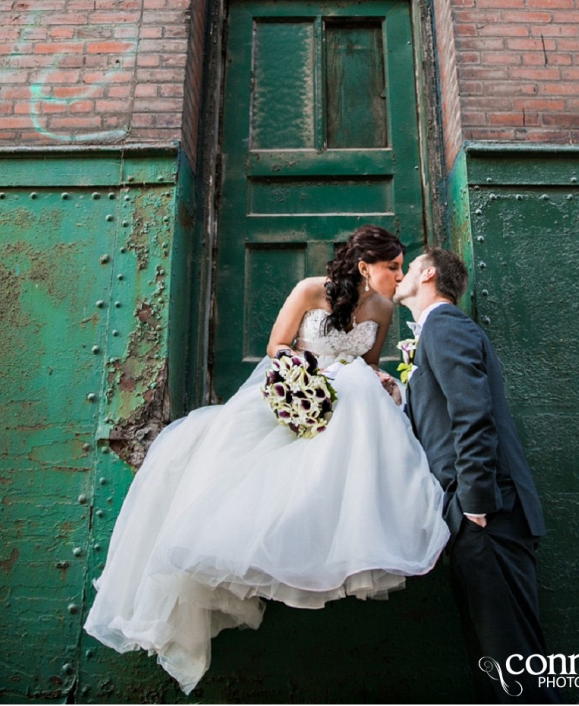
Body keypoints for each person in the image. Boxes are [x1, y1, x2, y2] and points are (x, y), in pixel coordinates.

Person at [84, 226, 450, 695]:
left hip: (351, 410)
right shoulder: (310, 290)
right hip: (299, 392)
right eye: (393, 267)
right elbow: (276, 345)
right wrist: (306, 373)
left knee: (362, 394)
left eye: (402, 268)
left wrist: (378, 378)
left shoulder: (380, 309)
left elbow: (368, 363)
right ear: (364, 267)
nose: (399, 276)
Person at [394, 248, 560, 705]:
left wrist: (476, 502)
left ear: (428, 274)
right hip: (472, 520)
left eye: (409, 267)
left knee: (514, 668)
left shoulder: (444, 325)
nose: (403, 275)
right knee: (494, 668)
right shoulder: (436, 333)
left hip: (489, 517)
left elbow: (473, 412)